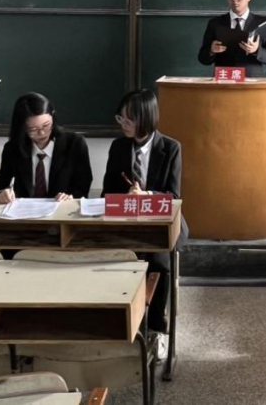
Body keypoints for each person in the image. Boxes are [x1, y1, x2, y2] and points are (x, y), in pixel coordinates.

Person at [102, 89, 187, 361]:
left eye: (129, 119)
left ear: (146, 118)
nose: (123, 124)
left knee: (159, 261)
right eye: (121, 118)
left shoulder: (170, 147)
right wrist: (125, 198)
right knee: (112, 257)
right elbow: (107, 192)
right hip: (127, 221)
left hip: (161, 222)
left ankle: (157, 329)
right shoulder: (118, 147)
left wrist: (147, 196)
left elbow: (173, 196)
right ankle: (123, 322)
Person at [0, 93, 92, 202]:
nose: (42, 133)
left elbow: (83, 185)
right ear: (22, 127)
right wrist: (2, 193)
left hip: (62, 208)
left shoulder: (74, 143)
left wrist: (71, 197)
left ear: (53, 116)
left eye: (46, 125)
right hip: (25, 210)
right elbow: (1, 185)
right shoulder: (12, 148)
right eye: (33, 129)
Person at [197, 0, 266, 76]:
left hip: (252, 82)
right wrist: (211, 51)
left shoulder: (262, 23)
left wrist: (256, 50)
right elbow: (202, 58)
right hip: (224, 80)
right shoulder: (215, 23)